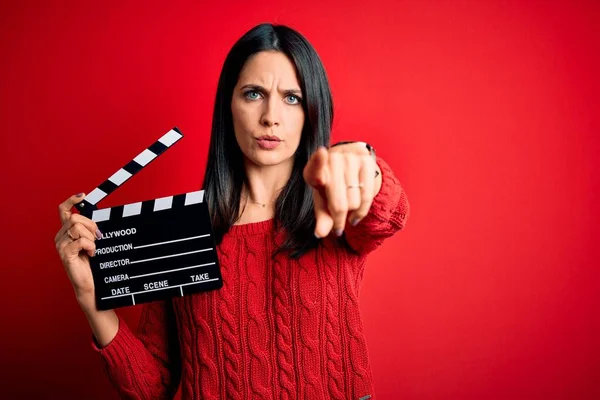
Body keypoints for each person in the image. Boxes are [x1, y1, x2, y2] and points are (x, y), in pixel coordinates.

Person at [54, 23, 409, 399]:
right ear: (230, 105)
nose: (271, 116)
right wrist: (90, 297)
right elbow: (153, 388)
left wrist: (364, 165)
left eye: (292, 98)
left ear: (312, 111)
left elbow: (388, 213)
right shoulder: (181, 230)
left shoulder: (333, 209)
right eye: (254, 93)